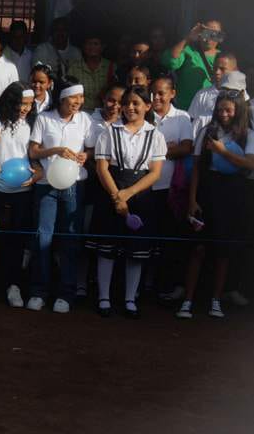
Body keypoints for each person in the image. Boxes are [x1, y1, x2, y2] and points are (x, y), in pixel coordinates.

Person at [176, 92, 254, 319]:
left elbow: (249, 163)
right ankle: (188, 300)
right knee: (198, 248)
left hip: (232, 195)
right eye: (220, 109)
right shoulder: (206, 131)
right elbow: (197, 167)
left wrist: (223, 151)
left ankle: (216, 301)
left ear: (238, 110)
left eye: (228, 109)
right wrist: (192, 200)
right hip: (207, 192)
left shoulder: (247, 134)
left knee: (223, 251)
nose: (223, 114)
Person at [91, 86, 166, 318]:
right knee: (107, 247)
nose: (131, 108)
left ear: (147, 106)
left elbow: (154, 173)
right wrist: (117, 196)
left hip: (140, 195)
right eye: (127, 103)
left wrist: (128, 194)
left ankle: (129, 298)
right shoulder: (109, 131)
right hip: (111, 191)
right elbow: (102, 167)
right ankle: (104, 297)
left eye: (136, 103)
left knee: (136, 249)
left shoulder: (156, 135)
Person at [26, 77, 92, 313]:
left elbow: (90, 149)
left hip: (74, 185)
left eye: (80, 98)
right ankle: (38, 291)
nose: (78, 102)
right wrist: (55, 150)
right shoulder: (45, 118)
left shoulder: (85, 120)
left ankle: (66, 293)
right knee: (42, 237)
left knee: (70, 239)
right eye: (74, 97)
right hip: (46, 185)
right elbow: (33, 150)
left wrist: (85, 156)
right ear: (63, 98)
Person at [0, 82, 41, 308]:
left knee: (17, 241)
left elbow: (36, 155)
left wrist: (38, 172)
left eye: (29, 104)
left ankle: (14, 286)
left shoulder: (32, 124)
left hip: (23, 190)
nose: (24, 108)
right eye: (20, 103)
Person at [147, 76, 193, 303]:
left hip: (170, 189)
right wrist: (168, 149)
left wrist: (158, 151)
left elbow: (186, 147)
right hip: (145, 187)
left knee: (169, 239)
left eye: (161, 93)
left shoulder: (182, 117)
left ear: (172, 93)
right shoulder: (145, 114)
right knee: (146, 238)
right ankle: (145, 285)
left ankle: (167, 286)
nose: (156, 97)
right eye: (153, 92)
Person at [80, 83, 126, 298]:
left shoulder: (128, 124)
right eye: (111, 100)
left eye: (120, 102)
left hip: (116, 186)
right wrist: (89, 156)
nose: (115, 106)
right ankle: (82, 282)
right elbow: (84, 149)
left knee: (111, 238)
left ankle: (107, 287)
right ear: (103, 98)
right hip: (91, 185)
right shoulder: (89, 119)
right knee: (86, 232)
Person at [161, 20, 224, 110]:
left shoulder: (225, 58)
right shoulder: (188, 50)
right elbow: (170, 62)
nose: (210, 37)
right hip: (186, 110)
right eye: (207, 32)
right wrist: (188, 38)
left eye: (214, 34)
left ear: (220, 37)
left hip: (213, 112)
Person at [188, 54, 247, 132]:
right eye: (215, 68)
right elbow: (190, 120)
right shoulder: (201, 94)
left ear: (234, 71)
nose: (217, 72)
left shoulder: (241, 95)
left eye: (222, 69)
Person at [67, 33, 113, 112]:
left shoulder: (110, 67)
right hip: (80, 112)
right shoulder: (74, 68)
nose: (92, 47)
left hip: (104, 113)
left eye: (96, 44)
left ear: (102, 47)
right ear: (83, 47)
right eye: (89, 44)